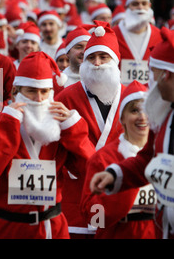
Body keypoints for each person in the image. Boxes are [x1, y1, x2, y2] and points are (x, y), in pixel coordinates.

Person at [0, 51, 95, 239]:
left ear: (51, 94)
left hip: (51, 228)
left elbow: (90, 170)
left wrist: (73, 128)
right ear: (16, 92)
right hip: (7, 229)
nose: (38, 99)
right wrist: (6, 127)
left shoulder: (59, 130)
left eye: (44, 91)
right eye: (31, 90)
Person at [89, 27, 174, 239]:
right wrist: (115, 175)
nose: (151, 83)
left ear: (168, 75)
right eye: (134, 110)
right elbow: (147, 159)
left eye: (153, 75)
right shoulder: (164, 115)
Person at [55, 22, 126, 238]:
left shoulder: (130, 99)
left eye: (103, 57)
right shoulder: (66, 97)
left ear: (115, 61)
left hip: (118, 191)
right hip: (77, 192)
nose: (97, 63)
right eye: (91, 58)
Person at [80, 80, 157, 239]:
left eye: (146, 110)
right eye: (134, 110)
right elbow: (94, 219)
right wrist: (126, 183)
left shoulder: (162, 151)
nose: (142, 117)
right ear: (122, 118)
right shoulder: (102, 158)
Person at [113, 0, 162, 85]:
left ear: (149, 6)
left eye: (144, 4)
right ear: (127, 7)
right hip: (120, 95)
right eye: (135, 4)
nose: (140, 7)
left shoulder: (159, 35)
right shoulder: (113, 34)